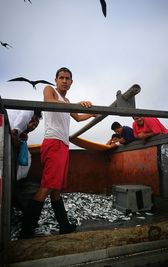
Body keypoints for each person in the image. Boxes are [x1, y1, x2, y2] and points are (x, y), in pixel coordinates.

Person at [20, 67, 96, 239]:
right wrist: (75, 104)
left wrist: (92, 114)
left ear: (71, 82)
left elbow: (77, 117)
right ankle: (26, 232)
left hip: (63, 145)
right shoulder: (50, 91)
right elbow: (49, 101)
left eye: (67, 78)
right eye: (61, 77)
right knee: (46, 186)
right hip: (53, 142)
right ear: (55, 80)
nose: (64, 80)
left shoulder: (66, 99)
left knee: (55, 189)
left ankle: (64, 226)